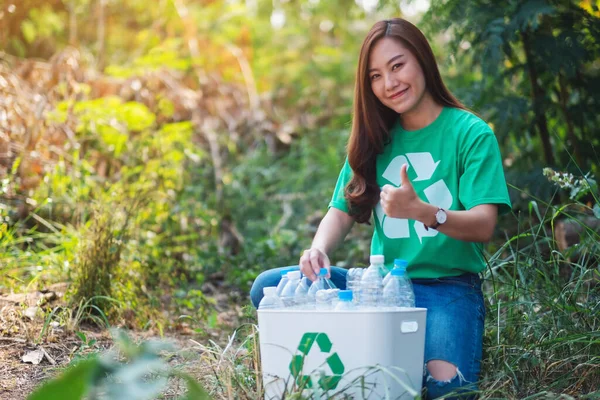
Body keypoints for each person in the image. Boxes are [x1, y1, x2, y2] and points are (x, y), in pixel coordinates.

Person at [250, 18, 511, 399]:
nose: (389, 84)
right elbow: (340, 210)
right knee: (270, 287)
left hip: (447, 288)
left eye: (397, 65)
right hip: (379, 290)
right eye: (375, 76)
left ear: (422, 60)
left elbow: (484, 224)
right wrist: (319, 249)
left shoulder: (470, 133)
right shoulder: (376, 137)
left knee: (444, 389)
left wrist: (423, 211)